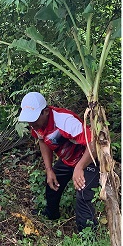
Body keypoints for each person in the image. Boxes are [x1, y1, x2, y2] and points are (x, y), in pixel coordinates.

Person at [18, 91, 99, 232]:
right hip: (68, 160)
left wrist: (79, 167)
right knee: (52, 183)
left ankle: (88, 236)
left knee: (83, 194)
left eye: (35, 119)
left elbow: (93, 143)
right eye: (29, 120)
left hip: (89, 159)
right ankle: (51, 215)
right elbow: (42, 141)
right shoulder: (36, 125)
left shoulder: (65, 121)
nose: (32, 123)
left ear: (46, 112)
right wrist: (49, 169)